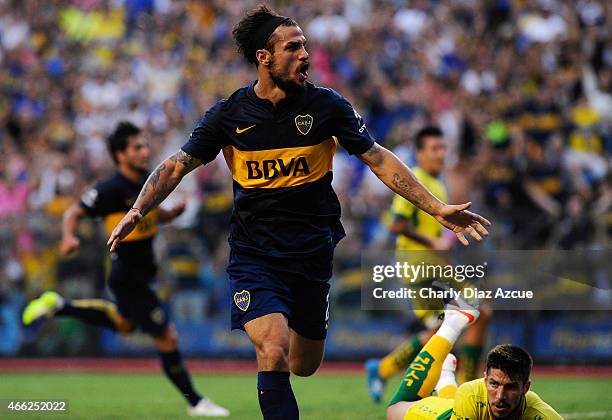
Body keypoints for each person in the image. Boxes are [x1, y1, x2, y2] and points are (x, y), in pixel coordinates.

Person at [107, 6, 491, 419]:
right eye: (293, 47)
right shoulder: (229, 115)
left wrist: (437, 208)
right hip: (254, 256)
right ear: (264, 57)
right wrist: (138, 207)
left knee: (303, 365)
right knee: (272, 352)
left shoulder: (327, 107)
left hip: (311, 254)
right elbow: (176, 165)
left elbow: (378, 158)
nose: (305, 54)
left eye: (305, 45)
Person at [22, 122, 229, 418]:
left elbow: (152, 216)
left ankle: (59, 306)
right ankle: (196, 401)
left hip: (142, 274)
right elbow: (73, 212)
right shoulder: (110, 189)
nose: (145, 151)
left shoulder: (147, 182)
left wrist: (172, 214)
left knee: (125, 325)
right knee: (167, 336)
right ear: (120, 155)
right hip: (127, 276)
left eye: (145, 145)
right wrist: (69, 237)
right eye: (137, 147)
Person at [366, 127, 492, 403]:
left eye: (443, 148)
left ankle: (383, 368)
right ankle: (467, 388)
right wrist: (433, 244)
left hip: (434, 267)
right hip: (420, 268)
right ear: (420, 153)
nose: (441, 154)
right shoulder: (414, 181)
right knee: (474, 314)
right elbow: (397, 224)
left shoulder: (437, 183)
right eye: (434, 148)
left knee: (443, 329)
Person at [386, 330, 564, 420]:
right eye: (494, 384)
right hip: (446, 416)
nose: (500, 396)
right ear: (485, 379)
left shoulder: (543, 416)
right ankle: (451, 325)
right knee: (393, 410)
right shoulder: (470, 393)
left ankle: (445, 379)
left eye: (510, 387)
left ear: (526, 387)